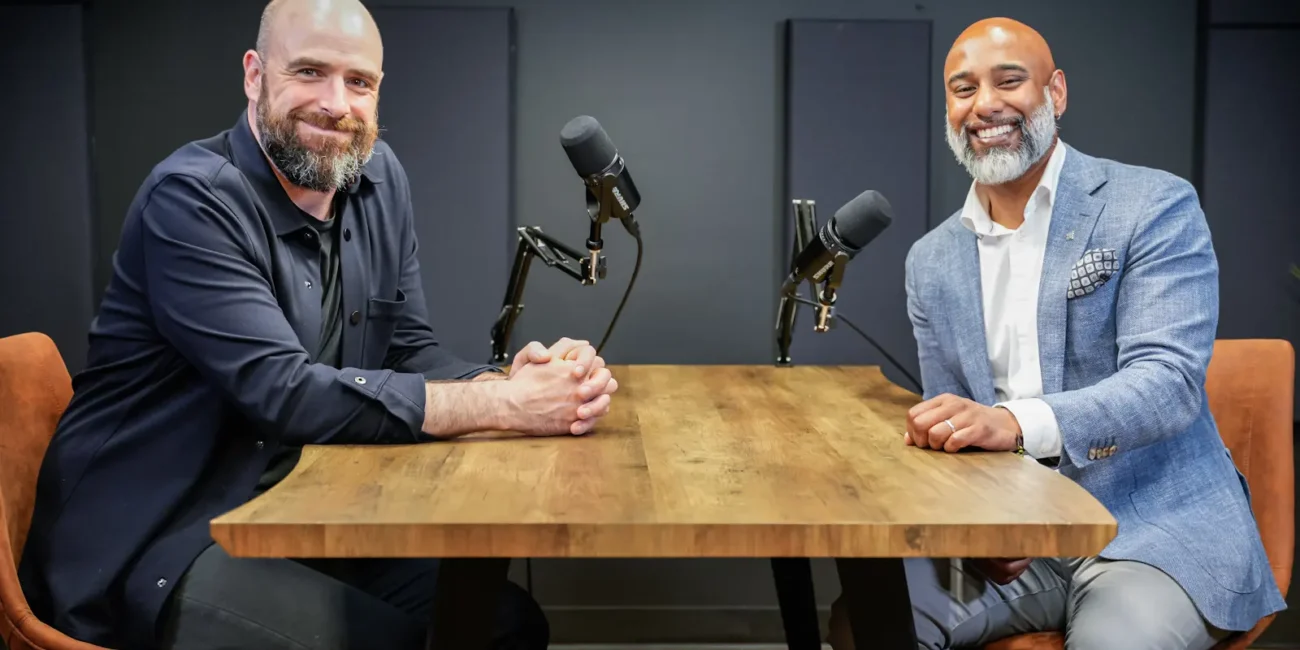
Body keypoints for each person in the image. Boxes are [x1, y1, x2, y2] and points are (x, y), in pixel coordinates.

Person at [18, 0, 618, 647]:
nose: (336, 103)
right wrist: (505, 405)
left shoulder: (379, 178)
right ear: (255, 75)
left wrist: (513, 382)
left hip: (295, 512)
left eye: (358, 81)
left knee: (503, 624)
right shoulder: (191, 202)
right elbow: (285, 394)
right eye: (309, 72)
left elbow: (407, 348)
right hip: (156, 543)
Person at [828, 16, 1284, 650]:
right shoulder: (930, 262)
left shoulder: (1152, 205)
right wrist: (978, 523)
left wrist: (1012, 423)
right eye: (964, 89)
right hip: (1016, 541)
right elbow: (955, 424)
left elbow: (1168, 384)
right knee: (867, 620)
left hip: (1153, 533)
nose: (985, 104)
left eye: (1008, 81)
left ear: (1056, 92)